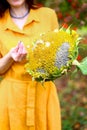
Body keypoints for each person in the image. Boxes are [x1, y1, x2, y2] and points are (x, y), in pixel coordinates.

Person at [0, 0, 61, 130]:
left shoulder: (48, 15)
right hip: (12, 96)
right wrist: (10, 56)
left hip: (43, 93)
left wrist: (39, 56)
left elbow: (58, 58)